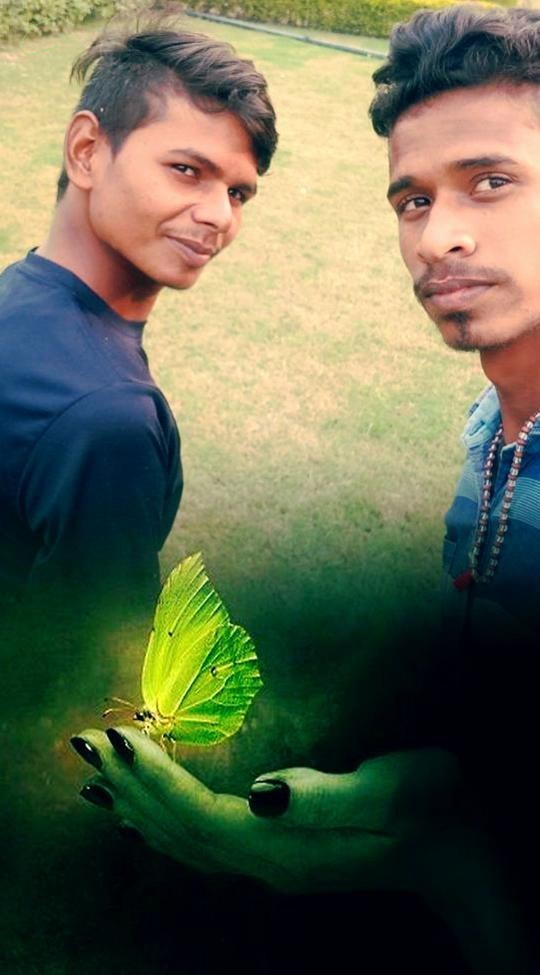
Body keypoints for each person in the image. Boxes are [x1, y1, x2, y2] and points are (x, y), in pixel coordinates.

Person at [71, 6, 540, 973]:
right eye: (412, 200)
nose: (438, 237)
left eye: (491, 182)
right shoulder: (492, 431)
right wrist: (433, 786)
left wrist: (440, 859)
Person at [0, 17, 277, 613]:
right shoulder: (110, 421)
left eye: (237, 193)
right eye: (187, 170)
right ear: (87, 152)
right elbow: (97, 659)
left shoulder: (18, 291)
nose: (220, 216)